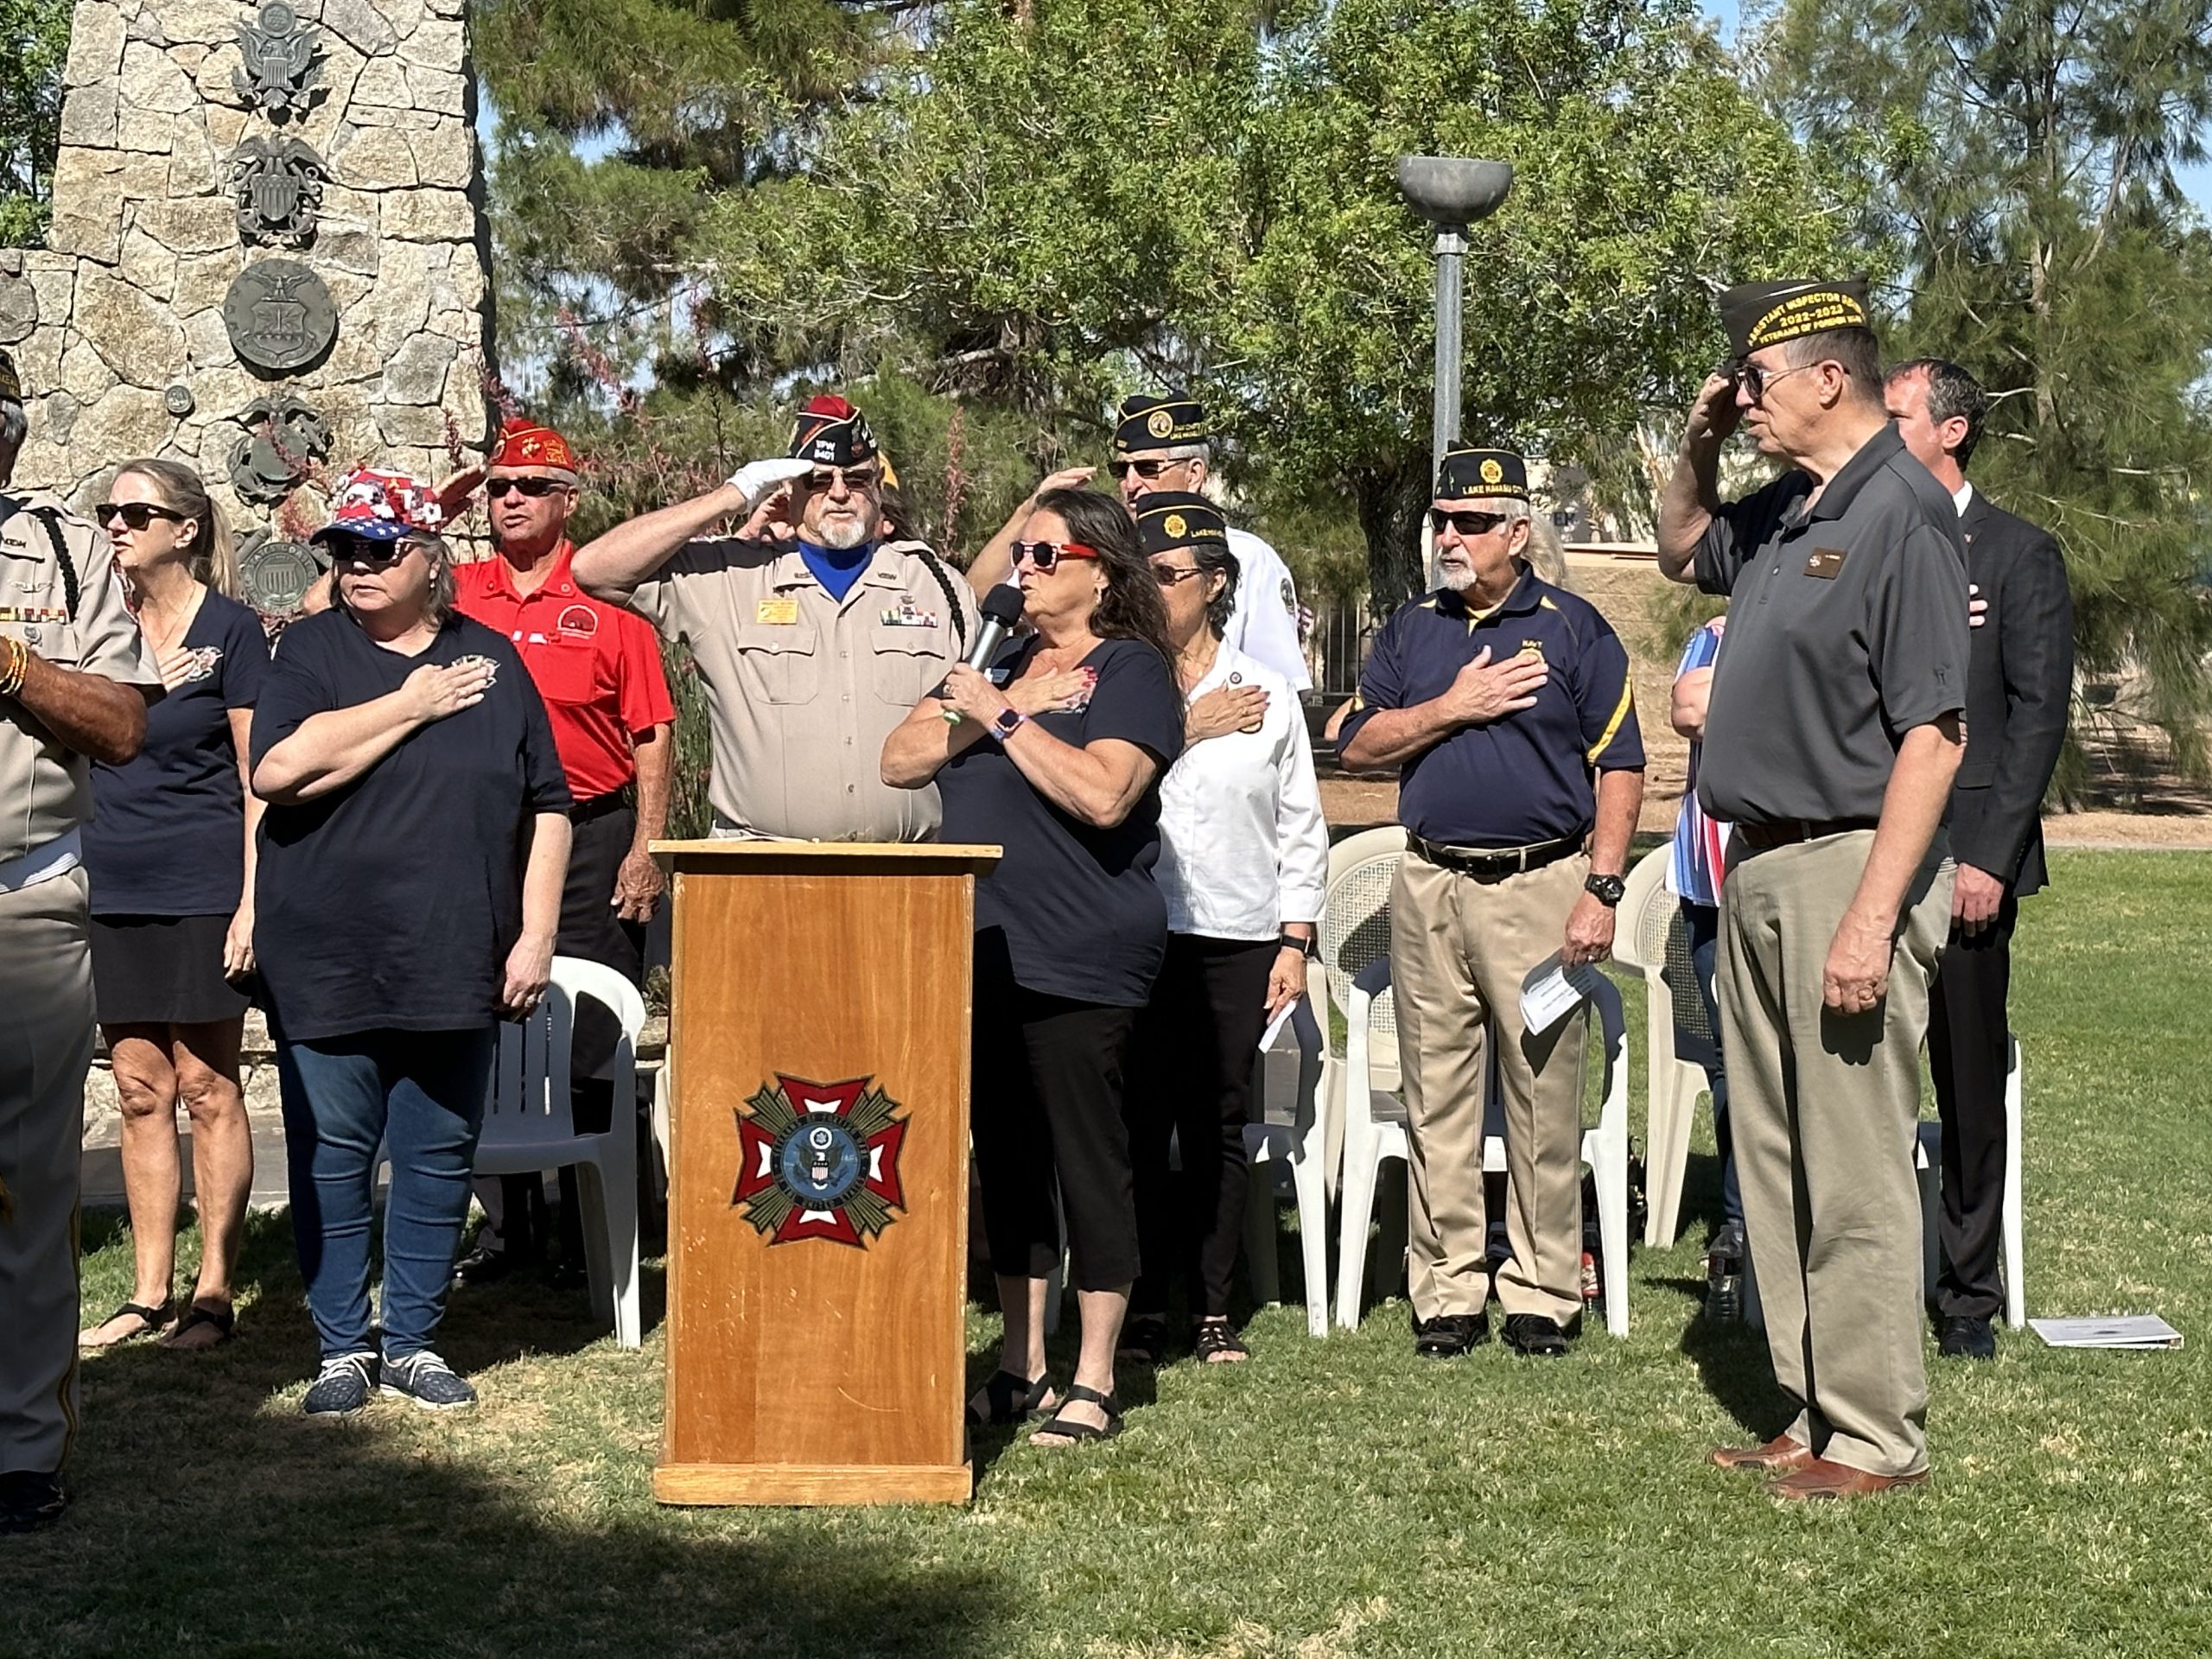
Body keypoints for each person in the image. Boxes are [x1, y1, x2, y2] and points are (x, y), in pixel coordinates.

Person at [1657, 280, 1967, 1501]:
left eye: (1758, 377)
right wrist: (1695, 440)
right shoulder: (1793, 506)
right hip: (1763, 860)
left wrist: (1872, 919)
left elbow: (1933, 738)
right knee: (1777, 1152)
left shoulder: (1902, 513)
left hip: (1850, 860)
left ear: (1825, 377)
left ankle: (1879, 1433)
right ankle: (1812, 1407)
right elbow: (1684, 547)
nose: (1747, 397)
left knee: (1853, 1162)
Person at [251, 468, 572, 1418]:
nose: (355, 567)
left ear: (433, 560)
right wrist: (412, 705)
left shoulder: (498, 661)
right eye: (341, 550)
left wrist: (537, 935)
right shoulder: (307, 652)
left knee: (437, 1151)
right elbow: (278, 769)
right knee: (332, 1152)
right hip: (330, 949)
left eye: (377, 550)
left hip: (455, 946)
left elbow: (547, 806)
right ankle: (343, 1347)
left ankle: (416, 1341)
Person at [881, 486, 1184, 1447]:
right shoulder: (995, 660)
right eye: (1021, 549)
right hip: (980, 948)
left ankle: (1095, 1376)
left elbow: (1103, 797)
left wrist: (1005, 723)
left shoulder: (1130, 670)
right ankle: (1021, 1364)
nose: (1025, 566)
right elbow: (899, 759)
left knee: (1086, 1159)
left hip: (1081, 952)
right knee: (1006, 1164)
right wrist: (999, 702)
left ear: (1100, 569)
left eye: (1045, 553)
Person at [1338, 447, 1645, 1360]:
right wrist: (1454, 706)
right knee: (1435, 1092)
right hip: (1430, 880)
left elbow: (1620, 767)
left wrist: (1600, 887)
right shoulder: (1412, 632)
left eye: (1470, 522)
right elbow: (1356, 742)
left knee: (1544, 1093)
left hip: (1541, 883)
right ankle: (1446, 1291)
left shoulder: (1573, 630)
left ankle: (1544, 1291)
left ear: (1517, 531)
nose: (1449, 538)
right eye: (1440, 520)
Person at [448, 418, 676, 1285]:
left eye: (530, 487)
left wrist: (644, 849)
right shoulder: (451, 592)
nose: (511, 500)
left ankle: (591, 1232)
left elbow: (651, 736)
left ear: (567, 501)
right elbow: (339, 590)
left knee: (588, 1033)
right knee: (476, 1020)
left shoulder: (611, 617)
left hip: (592, 835)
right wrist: (443, 506)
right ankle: (507, 1231)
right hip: (481, 835)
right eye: (498, 486)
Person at [0, 347, 160, 1532]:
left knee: (25, 1189)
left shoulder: (59, 549)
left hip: (22, 905)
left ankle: (21, 1447)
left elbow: (119, 726)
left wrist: (10, 665)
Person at [1885, 356, 2073, 1362]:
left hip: (1965, 865)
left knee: (1964, 1083)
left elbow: (2036, 716)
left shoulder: (2014, 554)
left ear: (1950, 432)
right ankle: (1867, 1278)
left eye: (1897, 416)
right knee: (1866, 1075)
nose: (1881, 433)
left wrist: (1988, 857)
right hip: (1868, 855)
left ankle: (1965, 1295)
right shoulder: (1875, 541)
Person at [1118, 493, 1328, 1365]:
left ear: (1213, 585)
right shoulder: (1115, 683)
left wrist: (1296, 940)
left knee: (1215, 1123)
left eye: (1168, 578)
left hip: (1236, 937)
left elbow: (1299, 824)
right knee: (1132, 1125)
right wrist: (1184, 727)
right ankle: (1132, 1307)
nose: (1153, 592)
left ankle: (1208, 1308)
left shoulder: (1266, 692)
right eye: (1140, 576)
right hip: (1134, 932)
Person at [572, 394, 978, 842]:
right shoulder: (731, 576)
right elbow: (594, 571)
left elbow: (978, 710)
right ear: (790, 489)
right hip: (761, 869)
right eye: (819, 480)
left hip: (908, 870)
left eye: (858, 479)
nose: (840, 493)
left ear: (879, 488)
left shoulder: (937, 584)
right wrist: (729, 497)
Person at [78, 460, 269, 1353]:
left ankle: (214, 1291)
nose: (115, 524)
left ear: (185, 528)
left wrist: (250, 902)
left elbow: (255, 780)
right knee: (137, 1087)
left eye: (135, 512)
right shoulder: (96, 628)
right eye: (108, 511)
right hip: (107, 886)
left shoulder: (233, 632)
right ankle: (148, 1291)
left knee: (206, 1085)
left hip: (202, 886)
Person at [967, 395, 1311, 690]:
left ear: (1194, 473)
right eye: (1121, 471)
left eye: (1147, 468)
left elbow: (1281, 686)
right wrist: (1029, 510)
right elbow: (979, 595)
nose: (1131, 484)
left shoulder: (1247, 557)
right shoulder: (1098, 551)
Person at [1665, 613, 1745, 1319]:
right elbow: (1689, 709)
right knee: (1729, 1063)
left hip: (1785, 873)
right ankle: (1738, 1227)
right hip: (1708, 884)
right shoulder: (1712, 634)